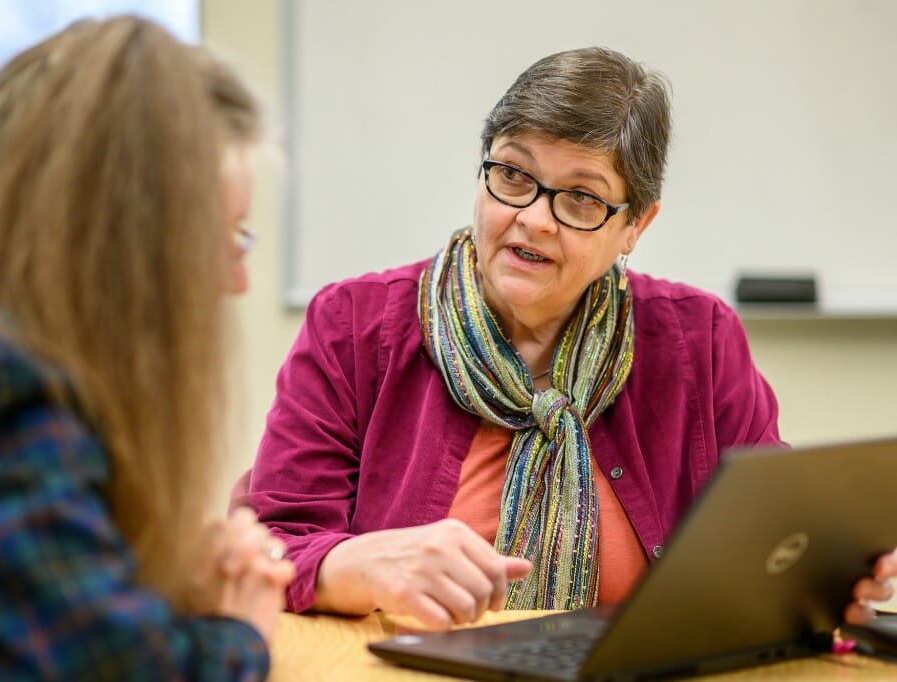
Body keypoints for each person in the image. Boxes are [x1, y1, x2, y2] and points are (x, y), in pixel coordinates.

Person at [237, 46, 896, 630]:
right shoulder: (353, 326)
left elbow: (771, 541)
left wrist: (826, 578)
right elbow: (271, 546)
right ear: (482, 169)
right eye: (514, 176)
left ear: (635, 225)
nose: (532, 219)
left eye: (580, 198)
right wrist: (358, 563)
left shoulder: (699, 340)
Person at [0, 15, 294, 680]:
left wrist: (161, 580)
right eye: (222, 238)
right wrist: (238, 629)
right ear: (122, 237)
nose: (235, 280)